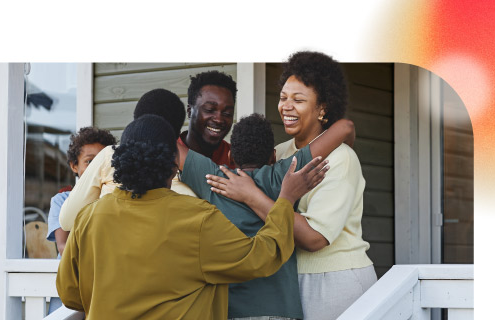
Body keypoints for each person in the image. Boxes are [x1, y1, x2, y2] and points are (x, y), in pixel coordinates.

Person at [56, 114, 326, 319]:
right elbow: (261, 257)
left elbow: (69, 292)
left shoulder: (89, 218)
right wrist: (285, 200)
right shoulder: (197, 218)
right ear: (173, 166)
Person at [205, 51, 377, 319]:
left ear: (323, 108)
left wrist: (251, 196)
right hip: (291, 279)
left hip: (334, 280)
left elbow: (314, 238)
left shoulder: (342, 159)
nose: (286, 106)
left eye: (298, 100)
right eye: (284, 97)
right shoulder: (279, 152)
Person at [178, 113, 355, 320]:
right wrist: (347, 149)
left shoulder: (216, 179)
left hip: (232, 311)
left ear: (230, 157)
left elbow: (168, 148)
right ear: (273, 156)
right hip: (282, 310)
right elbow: (345, 126)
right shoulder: (286, 175)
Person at [58, 88, 196, 231]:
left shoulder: (109, 155)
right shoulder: (192, 180)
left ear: (134, 124)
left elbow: (68, 220)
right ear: (176, 135)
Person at [45, 126, 116, 314]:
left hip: (105, 285)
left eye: (102, 161)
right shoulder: (61, 200)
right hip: (71, 283)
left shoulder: (114, 199)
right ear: (74, 166)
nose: (96, 168)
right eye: (90, 162)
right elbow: (63, 245)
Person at [179, 70, 237, 168]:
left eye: (227, 113)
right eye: (209, 110)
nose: (218, 119)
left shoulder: (236, 160)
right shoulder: (167, 154)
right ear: (189, 111)